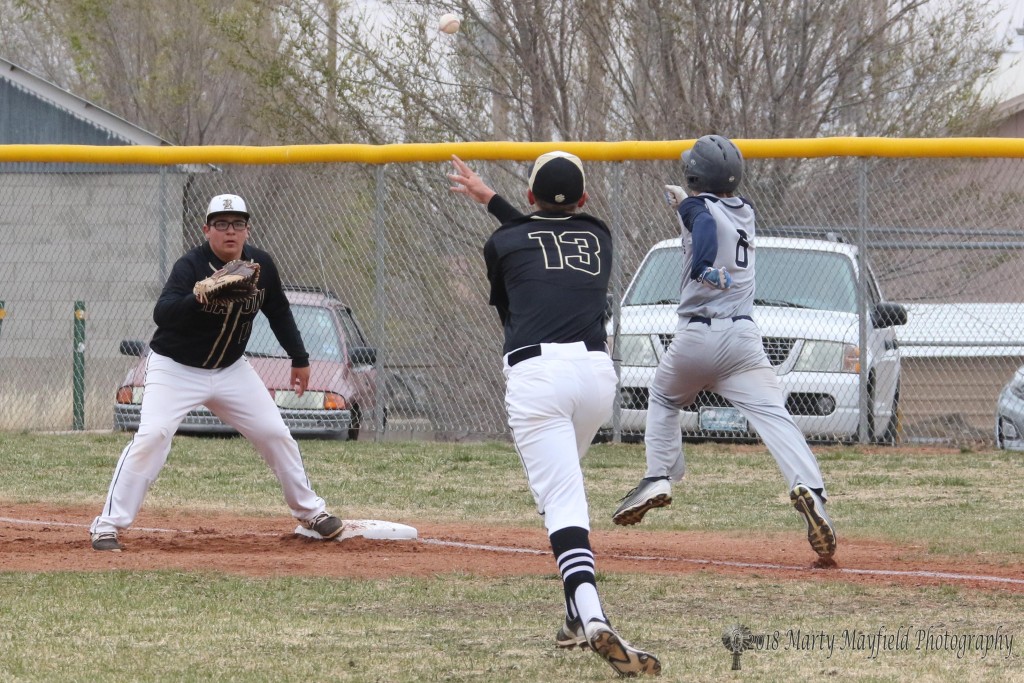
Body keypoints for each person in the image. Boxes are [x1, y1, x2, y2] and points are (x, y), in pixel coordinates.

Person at [449, 152, 661, 677]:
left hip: (538, 374)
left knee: (562, 501)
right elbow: (547, 233)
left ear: (528, 196)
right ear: (584, 201)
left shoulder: (501, 242)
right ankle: (572, 618)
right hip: (595, 377)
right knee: (561, 490)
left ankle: (592, 617)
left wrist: (490, 201)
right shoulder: (601, 235)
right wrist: (491, 199)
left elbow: (512, 296)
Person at [611, 135, 837, 563]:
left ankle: (658, 476)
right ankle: (811, 490)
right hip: (743, 341)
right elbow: (707, 210)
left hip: (697, 337)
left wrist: (701, 262)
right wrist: (683, 203)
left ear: (695, 177)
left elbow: (702, 224)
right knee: (775, 415)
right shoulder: (746, 211)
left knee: (664, 397)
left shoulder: (699, 212)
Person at [89, 194, 344, 551]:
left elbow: (279, 311)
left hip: (231, 370)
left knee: (275, 432)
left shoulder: (261, 265)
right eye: (221, 224)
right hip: (175, 367)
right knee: (152, 436)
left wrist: (298, 358)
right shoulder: (191, 266)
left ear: (247, 230)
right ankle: (107, 526)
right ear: (206, 229)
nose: (230, 231)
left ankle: (311, 513)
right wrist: (199, 297)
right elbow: (162, 314)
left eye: (238, 223)